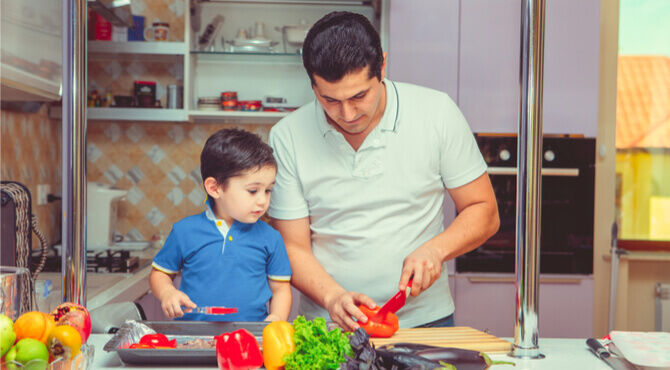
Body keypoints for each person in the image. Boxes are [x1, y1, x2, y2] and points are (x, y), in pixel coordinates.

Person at [267, 11, 499, 330]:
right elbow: (292, 246)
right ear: (312, 84)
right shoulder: (287, 136)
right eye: (329, 100)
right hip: (329, 323)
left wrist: (436, 249)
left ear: (383, 67)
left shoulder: (437, 113)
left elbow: (484, 210)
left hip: (424, 321)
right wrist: (334, 297)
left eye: (359, 95)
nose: (346, 113)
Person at [150, 128, 292, 322]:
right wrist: (167, 293)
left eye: (268, 190)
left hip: (250, 340)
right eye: (252, 191)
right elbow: (160, 274)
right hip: (194, 339)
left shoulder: (271, 238)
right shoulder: (184, 231)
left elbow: (281, 289)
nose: (263, 201)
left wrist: (276, 317)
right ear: (215, 188)